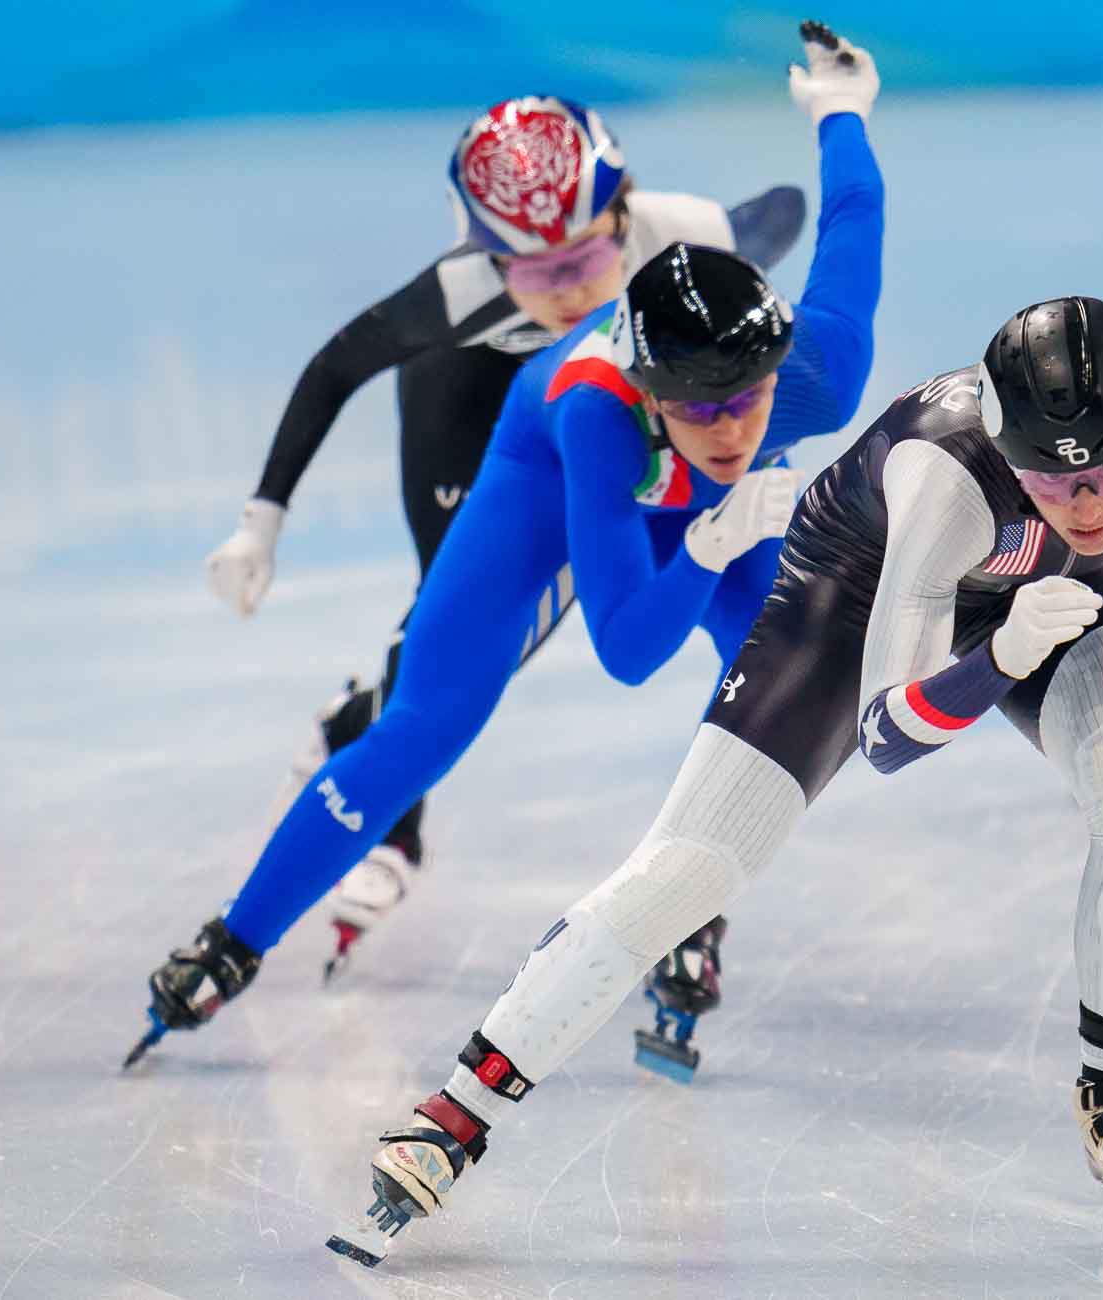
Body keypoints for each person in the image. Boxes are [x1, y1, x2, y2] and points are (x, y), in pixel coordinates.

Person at [326, 297, 1103, 1273]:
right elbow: (887, 733)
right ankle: (454, 1112)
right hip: (853, 599)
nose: (1089, 504)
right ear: (1008, 450)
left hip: (1057, 594)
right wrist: (1005, 651)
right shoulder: (948, 480)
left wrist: (1028, 622)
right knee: (693, 870)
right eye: (1052, 480)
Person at [126, 21, 884, 1070]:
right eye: (697, 411)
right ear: (650, 392)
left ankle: (688, 906)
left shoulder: (820, 371)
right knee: (422, 727)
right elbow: (623, 649)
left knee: (770, 690)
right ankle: (230, 940)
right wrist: (707, 547)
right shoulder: (593, 413)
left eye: (749, 403)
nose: (728, 432)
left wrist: (842, 112)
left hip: (687, 458)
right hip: (541, 483)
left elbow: (851, 218)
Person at [204, 90, 808, 977]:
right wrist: (261, 522)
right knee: (456, 640)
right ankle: (388, 807)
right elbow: (335, 369)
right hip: (477, 401)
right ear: (485, 255)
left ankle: (362, 727)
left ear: (627, 208)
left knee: (677, 611)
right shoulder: (454, 296)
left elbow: (780, 214)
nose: (567, 289)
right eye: (532, 270)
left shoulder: (684, 235)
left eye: (589, 255)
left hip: (619, 407)